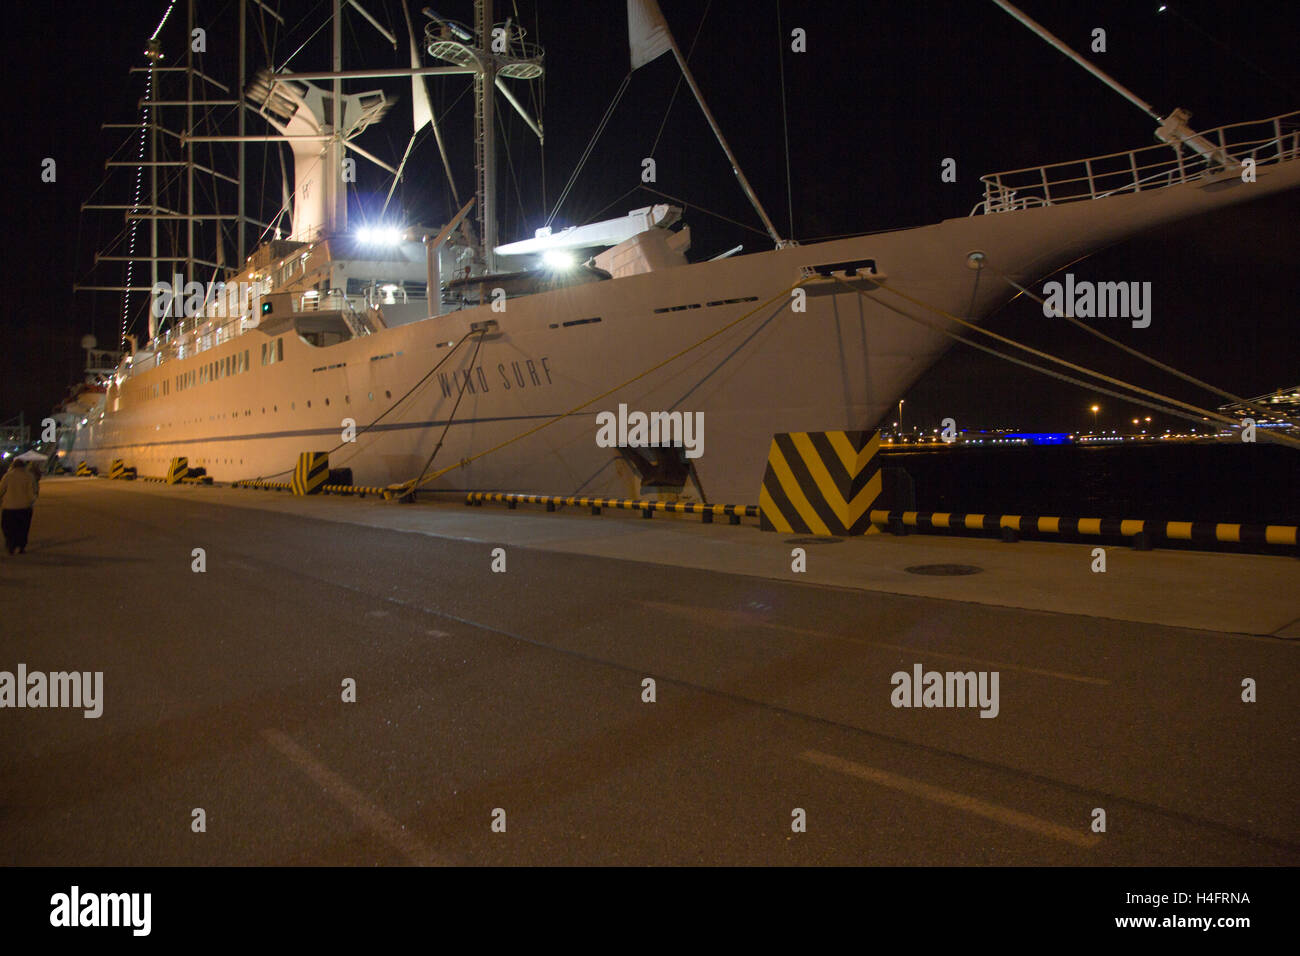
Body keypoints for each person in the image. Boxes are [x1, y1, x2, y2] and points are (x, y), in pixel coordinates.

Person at [0, 458, 39, 554]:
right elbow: (32, 492)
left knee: (8, 528)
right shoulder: (29, 476)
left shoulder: (7, 476)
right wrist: (31, 502)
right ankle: (21, 546)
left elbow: (1, 490)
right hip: (25, 507)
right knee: (23, 528)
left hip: (9, 507)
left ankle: (11, 545)